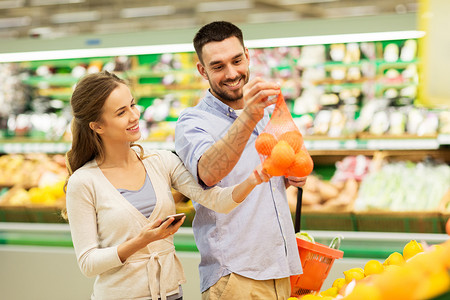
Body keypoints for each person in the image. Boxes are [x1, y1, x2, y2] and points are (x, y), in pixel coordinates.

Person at [64, 70, 271, 300]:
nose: (134, 116)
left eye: (132, 105)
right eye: (121, 112)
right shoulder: (83, 182)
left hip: (171, 293)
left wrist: (255, 179)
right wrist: (142, 241)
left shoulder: (161, 161)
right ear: (97, 126)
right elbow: (88, 263)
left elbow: (216, 201)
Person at [175, 21, 308, 299]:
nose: (232, 73)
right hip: (236, 277)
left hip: (280, 270)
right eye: (218, 66)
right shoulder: (193, 122)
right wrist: (250, 116)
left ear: (247, 56)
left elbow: (262, 185)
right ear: (202, 70)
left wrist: (291, 175)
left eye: (237, 60)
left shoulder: (262, 114)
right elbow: (208, 173)